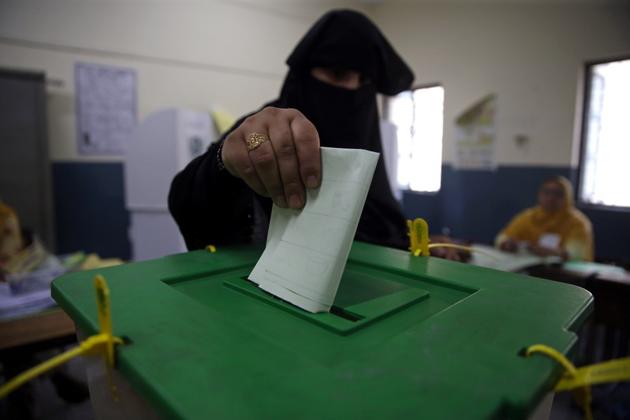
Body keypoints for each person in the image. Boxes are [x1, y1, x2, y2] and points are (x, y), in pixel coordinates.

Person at [169, 10, 415, 251]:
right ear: (303, 75)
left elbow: (383, 228)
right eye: (338, 74)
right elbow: (188, 197)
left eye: (366, 82)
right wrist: (224, 162)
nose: (353, 89)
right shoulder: (263, 129)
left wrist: (421, 248)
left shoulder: (365, 138)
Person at [495, 176, 594, 261]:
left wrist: (552, 252)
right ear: (539, 195)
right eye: (547, 192)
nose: (551, 198)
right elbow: (502, 237)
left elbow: (576, 254)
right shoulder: (529, 216)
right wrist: (506, 243)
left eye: (558, 194)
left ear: (567, 197)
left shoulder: (578, 222)